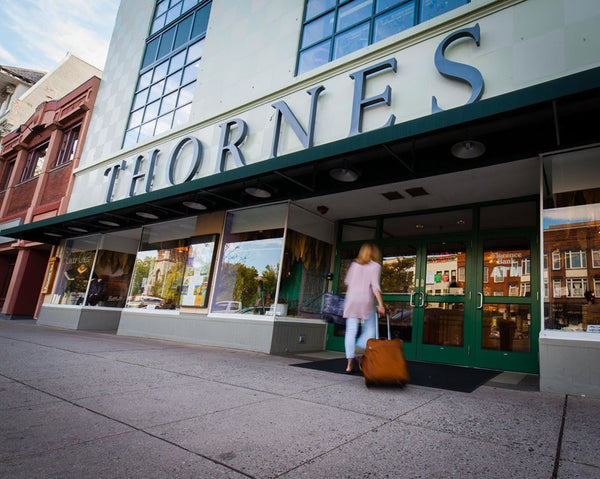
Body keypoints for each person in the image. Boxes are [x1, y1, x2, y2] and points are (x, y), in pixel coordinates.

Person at [343, 243, 385, 373]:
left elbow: (347, 282)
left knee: (351, 331)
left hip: (351, 300)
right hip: (365, 301)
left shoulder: (354, 265)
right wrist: (381, 304)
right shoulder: (375, 266)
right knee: (370, 329)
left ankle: (349, 365)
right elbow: (375, 286)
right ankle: (359, 350)